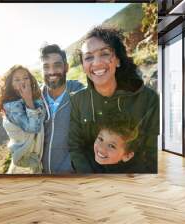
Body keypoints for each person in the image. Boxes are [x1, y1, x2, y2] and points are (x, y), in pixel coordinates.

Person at [68, 27, 159, 173]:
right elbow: (75, 147)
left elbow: (153, 154)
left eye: (104, 54)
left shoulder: (148, 100)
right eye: (88, 57)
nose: (96, 63)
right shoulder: (78, 101)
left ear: (117, 60)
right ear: (84, 66)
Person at [0, 65, 45, 174]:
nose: (23, 82)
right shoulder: (12, 106)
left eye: (26, 78)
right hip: (25, 159)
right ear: (11, 84)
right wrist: (28, 99)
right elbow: (33, 128)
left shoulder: (27, 96)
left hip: (35, 154)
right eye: (17, 80)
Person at [39, 44, 84, 174]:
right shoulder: (35, 99)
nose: (51, 72)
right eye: (46, 67)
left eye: (57, 65)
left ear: (66, 67)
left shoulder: (80, 93)